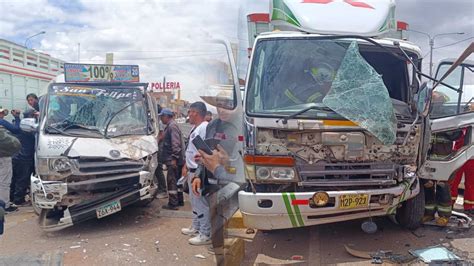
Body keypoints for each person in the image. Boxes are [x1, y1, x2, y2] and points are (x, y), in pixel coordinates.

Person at [180, 101, 210, 245]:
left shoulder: (203, 128)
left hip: (199, 172)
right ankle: (196, 226)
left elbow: (205, 151)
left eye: (190, 112)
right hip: (192, 170)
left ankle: (205, 233)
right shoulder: (195, 128)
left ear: (195, 113)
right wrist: (186, 165)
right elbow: (191, 150)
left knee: (201, 203)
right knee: (194, 202)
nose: (188, 115)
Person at [159, 108, 185, 210]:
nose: (161, 118)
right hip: (175, 159)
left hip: (172, 160)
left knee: (172, 181)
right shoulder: (171, 126)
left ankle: (173, 203)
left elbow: (176, 144)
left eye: (162, 116)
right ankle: (180, 200)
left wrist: (174, 158)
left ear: (166, 116)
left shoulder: (172, 126)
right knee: (178, 181)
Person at [10, 109, 36, 206]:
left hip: (16, 156)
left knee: (14, 179)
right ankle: (18, 200)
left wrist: (17, 117)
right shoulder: (30, 128)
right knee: (22, 179)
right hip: (24, 157)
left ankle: (11, 198)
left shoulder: (20, 125)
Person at [0, 108, 21, 213]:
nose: (3, 114)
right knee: (4, 182)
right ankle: (5, 206)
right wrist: (17, 118)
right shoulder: (1, 122)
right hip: (3, 156)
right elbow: (16, 130)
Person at [155, 104, 168, 199]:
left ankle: (163, 190)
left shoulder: (159, 122)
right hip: (158, 147)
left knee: (158, 168)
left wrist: (154, 144)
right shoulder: (157, 120)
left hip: (158, 147)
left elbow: (161, 135)